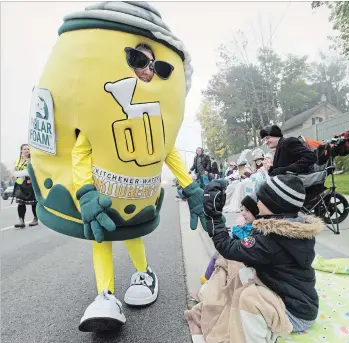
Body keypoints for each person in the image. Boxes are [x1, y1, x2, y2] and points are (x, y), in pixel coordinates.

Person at [27, 4, 206, 334]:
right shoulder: (101, 108)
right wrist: (85, 191)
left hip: (135, 196)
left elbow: (167, 151)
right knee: (101, 238)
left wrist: (190, 185)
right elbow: (81, 151)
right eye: (138, 61)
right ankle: (105, 294)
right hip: (102, 193)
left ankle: (144, 273)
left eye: (157, 66)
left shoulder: (155, 112)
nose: (148, 71)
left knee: (133, 232)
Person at [203, 175, 324, 335]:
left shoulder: (271, 240)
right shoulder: (293, 225)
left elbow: (228, 248)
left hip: (294, 315)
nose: (257, 201)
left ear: (271, 204)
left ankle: (260, 336)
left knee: (249, 296)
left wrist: (213, 216)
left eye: (260, 198)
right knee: (243, 272)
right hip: (301, 304)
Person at [200, 193, 259, 284]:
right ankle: (208, 280)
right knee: (218, 256)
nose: (243, 213)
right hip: (243, 260)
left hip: (245, 264)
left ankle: (209, 282)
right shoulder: (247, 225)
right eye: (242, 209)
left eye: (247, 210)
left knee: (221, 259)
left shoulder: (256, 230)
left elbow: (245, 244)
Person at [11, 144, 38, 228]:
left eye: (28, 149)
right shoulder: (18, 160)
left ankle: (35, 219)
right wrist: (12, 174)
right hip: (20, 183)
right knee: (20, 202)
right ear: (21, 150)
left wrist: (28, 160)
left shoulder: (33, 159)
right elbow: (15, 169)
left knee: (33, 202)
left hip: (30, 182)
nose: (27, 150)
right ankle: (21, 221)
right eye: (25, 149)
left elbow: (35, 169)